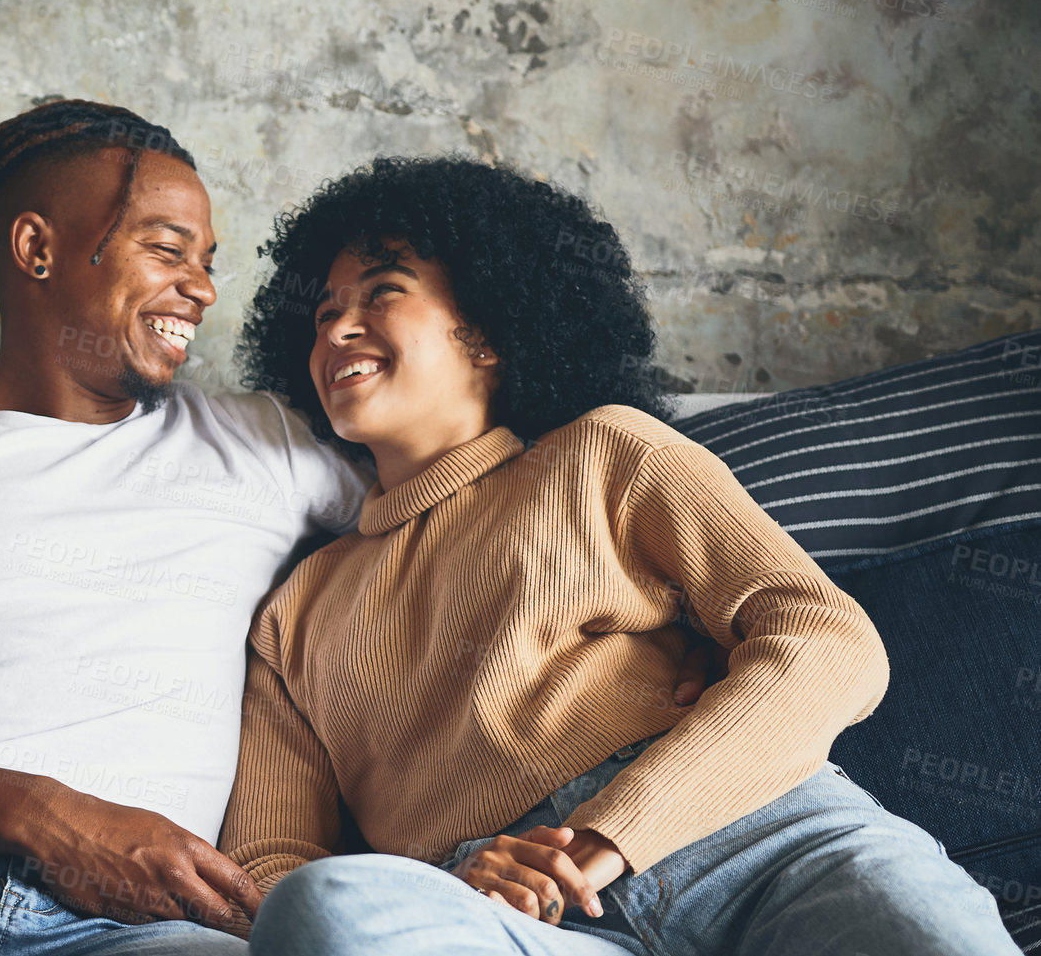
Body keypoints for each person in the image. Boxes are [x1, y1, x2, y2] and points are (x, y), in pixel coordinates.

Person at [0, 106, 715, 956]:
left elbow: (494, 488)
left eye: (208, 263)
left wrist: (670, 623)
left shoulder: (269, 443)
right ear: (37, 248)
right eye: (167, 248)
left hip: (150, 923)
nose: (202, 289)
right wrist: (41, 814)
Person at [216, 154, 1020, 955]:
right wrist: (452, 889)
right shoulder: (295, 611)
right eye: (323, 313)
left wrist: (618, 826)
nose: (338, 327)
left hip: (760, 839)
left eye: (382, 292)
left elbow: (828, 644)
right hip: (519, 910)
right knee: (321, 913)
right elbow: (270, 866)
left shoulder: (608, 451)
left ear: (488, 332)